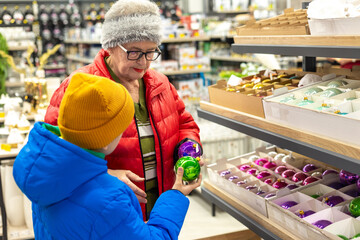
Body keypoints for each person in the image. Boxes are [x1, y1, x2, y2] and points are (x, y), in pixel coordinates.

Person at [44, 0, 203, 220]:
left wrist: (188, 146)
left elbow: (184, 124)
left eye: (151, 52)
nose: (145, 62)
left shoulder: (161, 84)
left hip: (160, 209)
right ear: (110, 46)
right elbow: (52, 156)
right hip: (109, 216)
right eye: (135, 52)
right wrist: (105, 176)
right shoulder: (80, 88)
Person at [13, 72, 202, 240]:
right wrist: (175, 196)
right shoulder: (110, 200)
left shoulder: (44, 175)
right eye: (120, 129)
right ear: (104, 139)